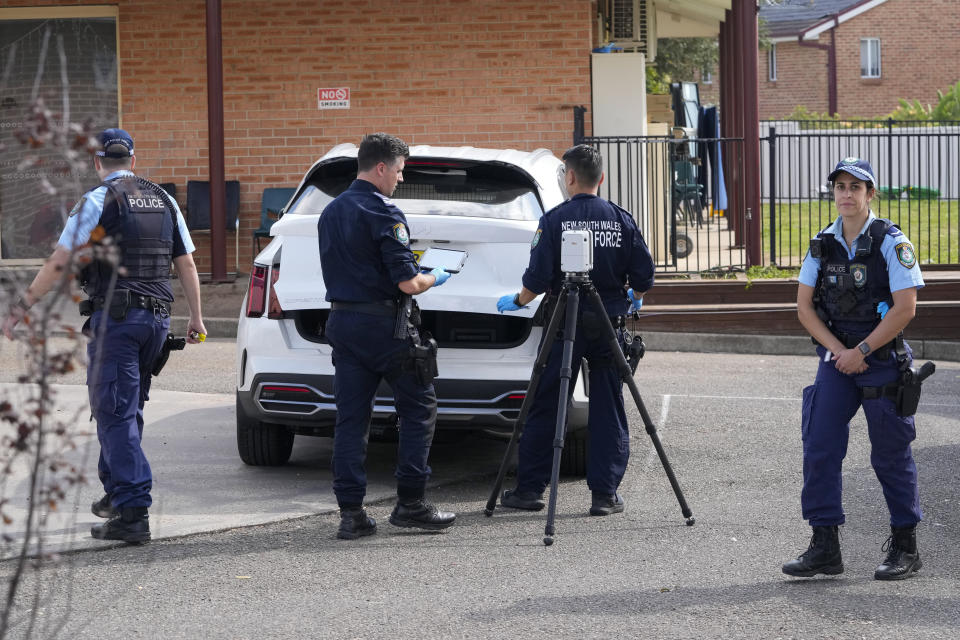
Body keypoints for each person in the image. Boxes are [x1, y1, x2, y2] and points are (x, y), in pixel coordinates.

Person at [2, 128, 206, 544]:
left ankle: (133, 512)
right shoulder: (164, 200)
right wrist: (197, 319)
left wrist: (21, 307)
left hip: (119, 322)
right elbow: (185, 264)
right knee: (127, 410)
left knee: (114, 413)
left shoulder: (97, 200)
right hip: (157, 323)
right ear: (132, 159)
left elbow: (61, 261)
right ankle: (117, 494)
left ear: (97, 163)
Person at [782, 157, 925, 581]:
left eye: (855, 187)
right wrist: (840, 352)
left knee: (890, 455)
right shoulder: (821, 243)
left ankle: (905, 545)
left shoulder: (891, 241)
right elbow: (804, 307)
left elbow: (906, 308)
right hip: (837, 359)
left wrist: (861, 349)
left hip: (881, 359)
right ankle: (825, 547)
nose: (846, 194)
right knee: (820, 446)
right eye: (840, 186)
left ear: (870, 194)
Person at [496, 144, 654, 516]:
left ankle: (530, 489)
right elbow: (644, 275)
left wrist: (518, 301)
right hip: (607, 320)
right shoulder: (621, 219)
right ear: (601, 178)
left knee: (547, 401)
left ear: (569, 177)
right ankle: (604, 494)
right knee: (608, 404)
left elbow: (535, 279)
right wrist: (635, 295)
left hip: (562, 320)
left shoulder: (554, 220)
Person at [318, 132, 456, 540]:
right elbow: (408, 284)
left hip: (343, 324)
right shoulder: (384, 213)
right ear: (381, 167)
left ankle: (351, 514)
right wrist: (435, 275)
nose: (400, 178)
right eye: (398, 170)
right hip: (386, 328)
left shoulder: (331, 211)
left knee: (351, 420)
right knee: (419, 409)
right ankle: (411, 504)